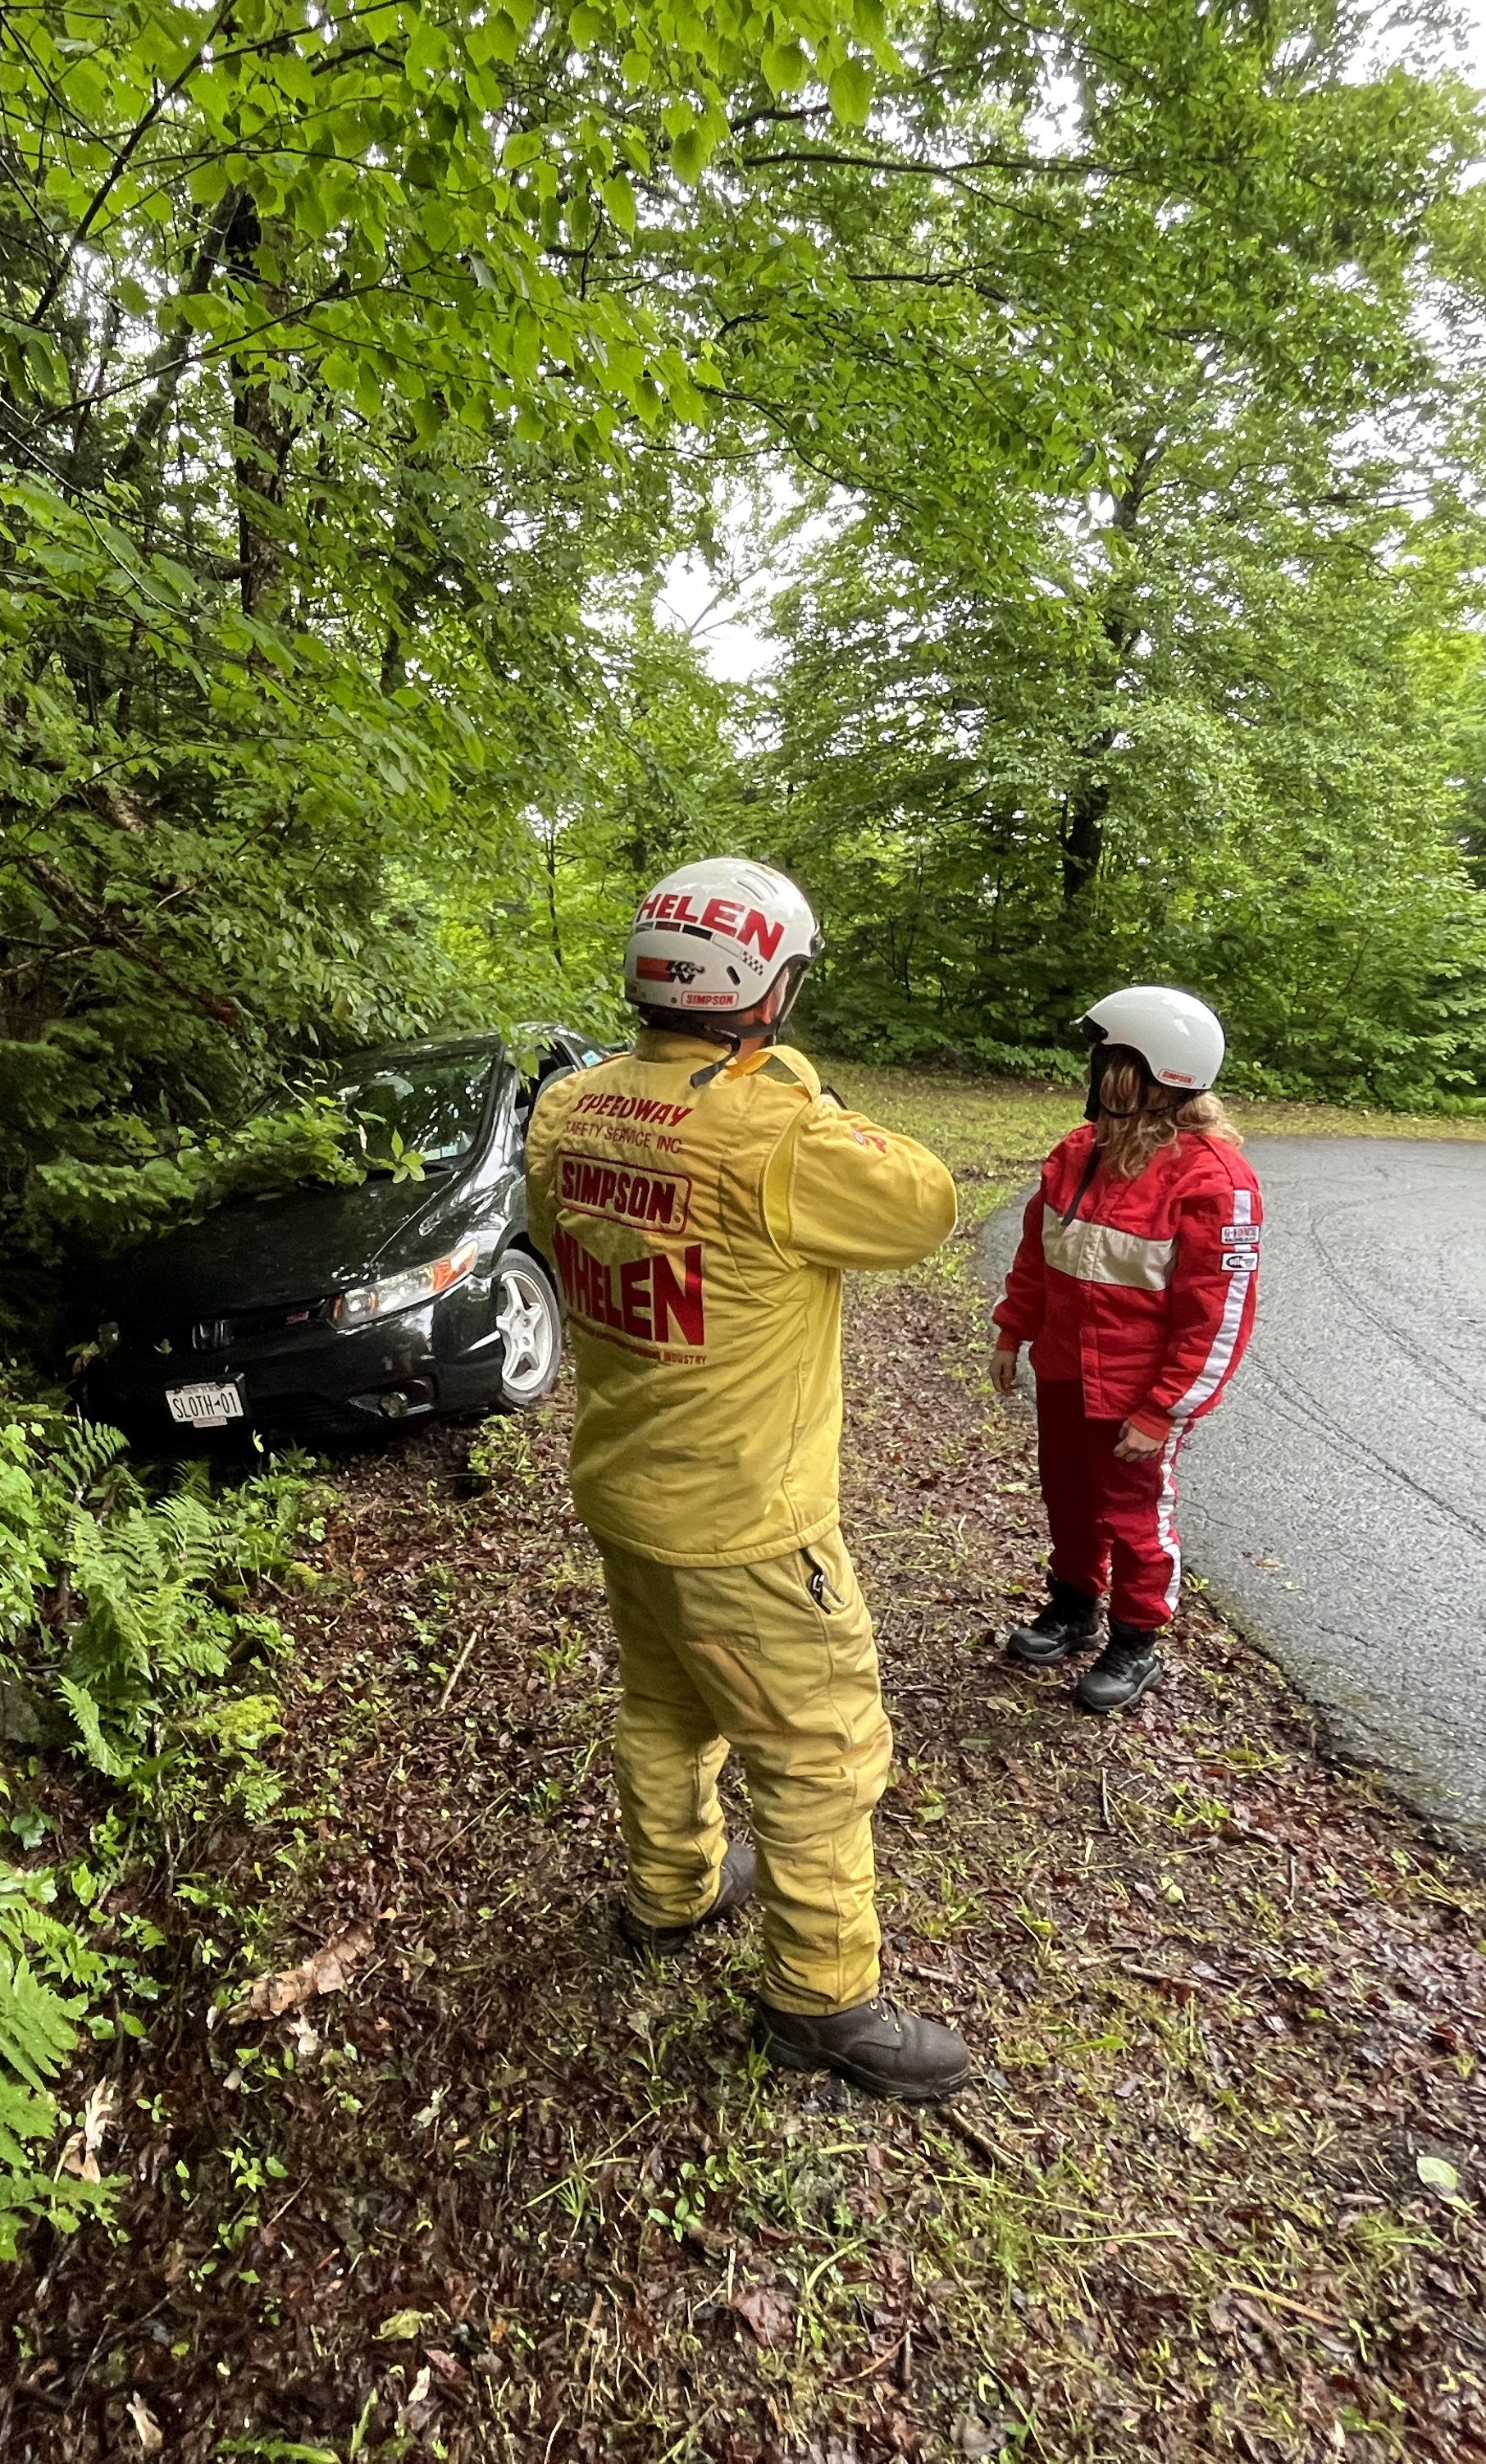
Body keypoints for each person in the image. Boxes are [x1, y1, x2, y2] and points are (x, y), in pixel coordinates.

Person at [527, 857, 974, 2102]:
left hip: (625, 1490)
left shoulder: (567, 1108)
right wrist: (790, 1084)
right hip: (749, 1527)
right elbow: (928, 1205)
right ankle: (820, 2003)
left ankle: (668, 1892)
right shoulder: (782, 1128)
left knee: (667, 1705)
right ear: (765, 988)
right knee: (824, 1753)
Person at [986, 986, 1263, 1715]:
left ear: (1143, 1074)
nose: (1092, 1072)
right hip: (1063, 1369)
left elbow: (1218, 1316)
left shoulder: (1214, 1182)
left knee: (1136, 1518)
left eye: (1104, 1059)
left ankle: (1136, 1641)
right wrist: (1014, 1330)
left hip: (1138, 1393)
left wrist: (1164, 1410)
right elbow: (1039, 1254)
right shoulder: (1079, 1153)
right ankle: (1074, 1607)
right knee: (1069, 1500)